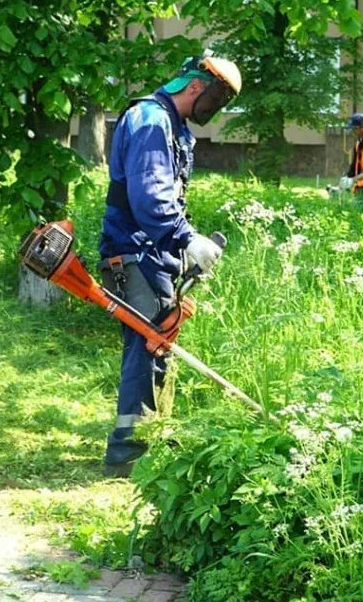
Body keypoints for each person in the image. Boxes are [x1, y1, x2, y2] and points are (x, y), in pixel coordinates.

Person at [97, 52, 242, 477]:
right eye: (215, 101)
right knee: (148, 347)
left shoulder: (170, 126)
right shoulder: (150, 121)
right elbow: (150, 198)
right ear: (197, 88)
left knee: (158, 347)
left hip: (153, 255)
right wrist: (186, 239)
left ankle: (149, 439)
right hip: (136, 254)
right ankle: (130, 453)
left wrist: (182, 249)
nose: (213, 111)